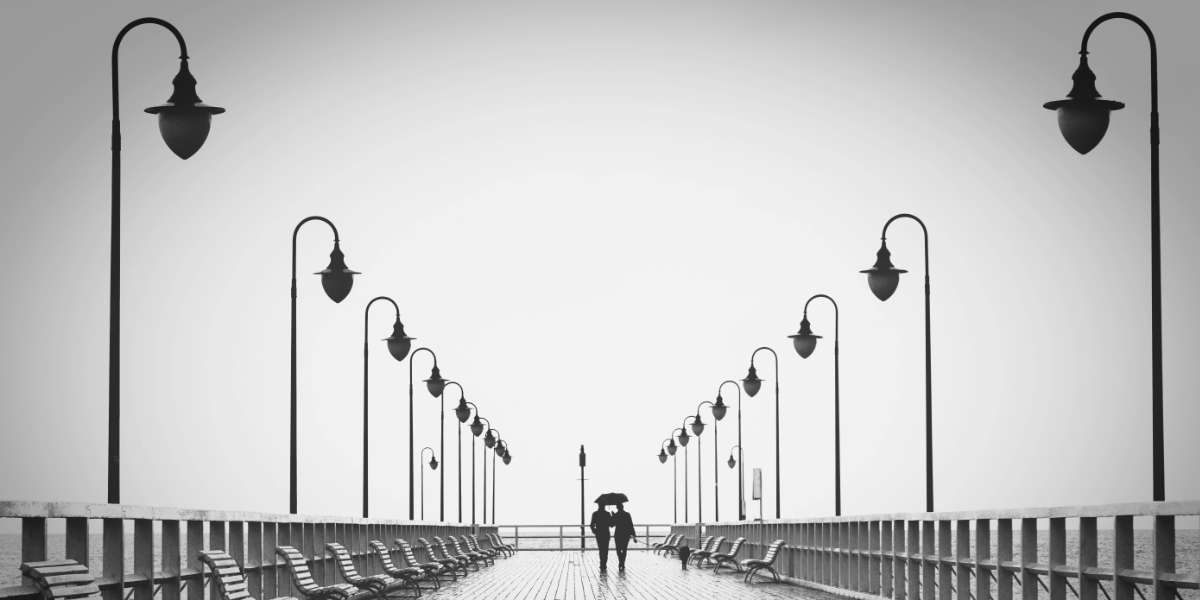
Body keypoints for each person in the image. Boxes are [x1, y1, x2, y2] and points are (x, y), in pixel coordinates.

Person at [611, 503, 636, 571]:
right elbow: (631, 525)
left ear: (617, 507)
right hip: (626, 535)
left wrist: (613, 516)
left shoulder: (616, 515)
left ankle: (620, 562)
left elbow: (612, 525)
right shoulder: (627, 514)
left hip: (618, 535)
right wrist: (634, 536)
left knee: (618, 550)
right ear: (623, 507)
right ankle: (622, 563)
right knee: (624, 550)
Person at [588, 502, 613, 572]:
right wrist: (613, 516)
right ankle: (604, 564)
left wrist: (595, 531)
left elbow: (591, 525)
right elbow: (611, 525)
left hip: (599, 534)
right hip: (606, 534)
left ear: (598, 505)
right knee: (605, 549)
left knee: (601, 549)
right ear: (604, 506)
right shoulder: (607, 514)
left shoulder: (595, 514)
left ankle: (602, 564)